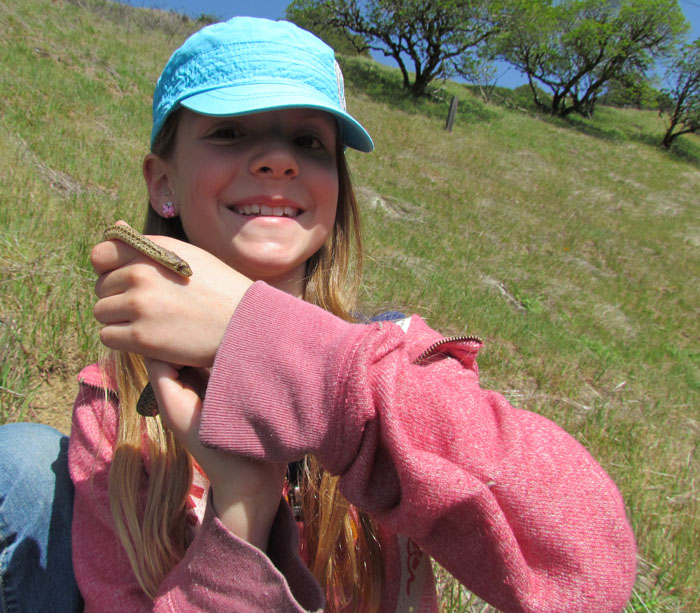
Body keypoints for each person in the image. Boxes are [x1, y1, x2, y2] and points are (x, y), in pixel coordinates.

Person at [0, 16, 636, 613]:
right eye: (230, 131)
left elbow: (590, 568)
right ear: (162, 183)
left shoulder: (395, 355)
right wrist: (242, 510)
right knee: (20, 461)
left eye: (309, 141)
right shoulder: (116, 405)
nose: (278, 161)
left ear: (336, 189)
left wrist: (277, 351)